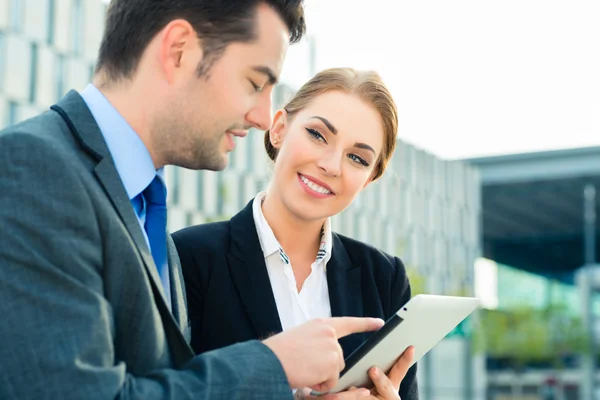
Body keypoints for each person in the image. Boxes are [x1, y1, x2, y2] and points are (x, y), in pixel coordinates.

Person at [0, 2, 388, 399]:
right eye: (255, 83)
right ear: (179, 50)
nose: (262, 116)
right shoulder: (33, 169)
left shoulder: (146, 214)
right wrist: (272, 364)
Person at [173, 67, 419, 399]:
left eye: (357, 158)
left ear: (369, 179)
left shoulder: (385, 279)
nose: (331, 165)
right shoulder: (188, 258)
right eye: (318, 135)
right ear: (279, 129)